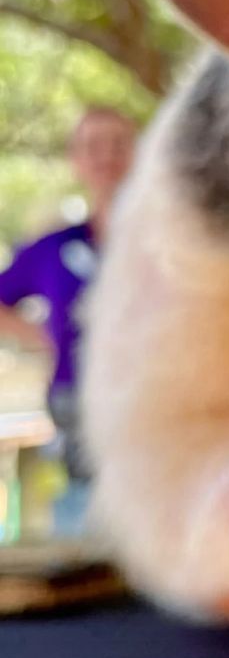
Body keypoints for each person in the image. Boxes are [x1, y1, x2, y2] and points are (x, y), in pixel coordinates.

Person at [0, 106, 137, 534]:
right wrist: (44, 337)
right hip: (77, 407)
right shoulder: (54, 248)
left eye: (118, 143)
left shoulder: (168, 240)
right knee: (84, 521)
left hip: (154, 400)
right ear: (76, 159)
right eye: (93, 145)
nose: (106, 156)